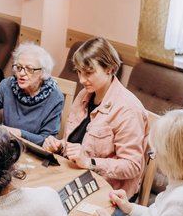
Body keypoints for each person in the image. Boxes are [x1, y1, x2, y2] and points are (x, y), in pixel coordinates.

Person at [43, 37, 148, 195]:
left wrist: (89, 162)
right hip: (74, 176)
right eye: (79, 72)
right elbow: (79, 143)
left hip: (108, 191)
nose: (81, 79)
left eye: (88, 73)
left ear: (109, 69)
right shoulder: (84, 95)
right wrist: (60, 146)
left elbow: (132, 166)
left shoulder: (128, 110)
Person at [0, 43, 63, 146]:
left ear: (42, 73)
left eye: (29, 69)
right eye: (19, 67)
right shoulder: (8, 85)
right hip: (7, 145)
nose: (21, 73)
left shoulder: (55, 97)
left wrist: (19, 133)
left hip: (33, 151)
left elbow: (47, 140)